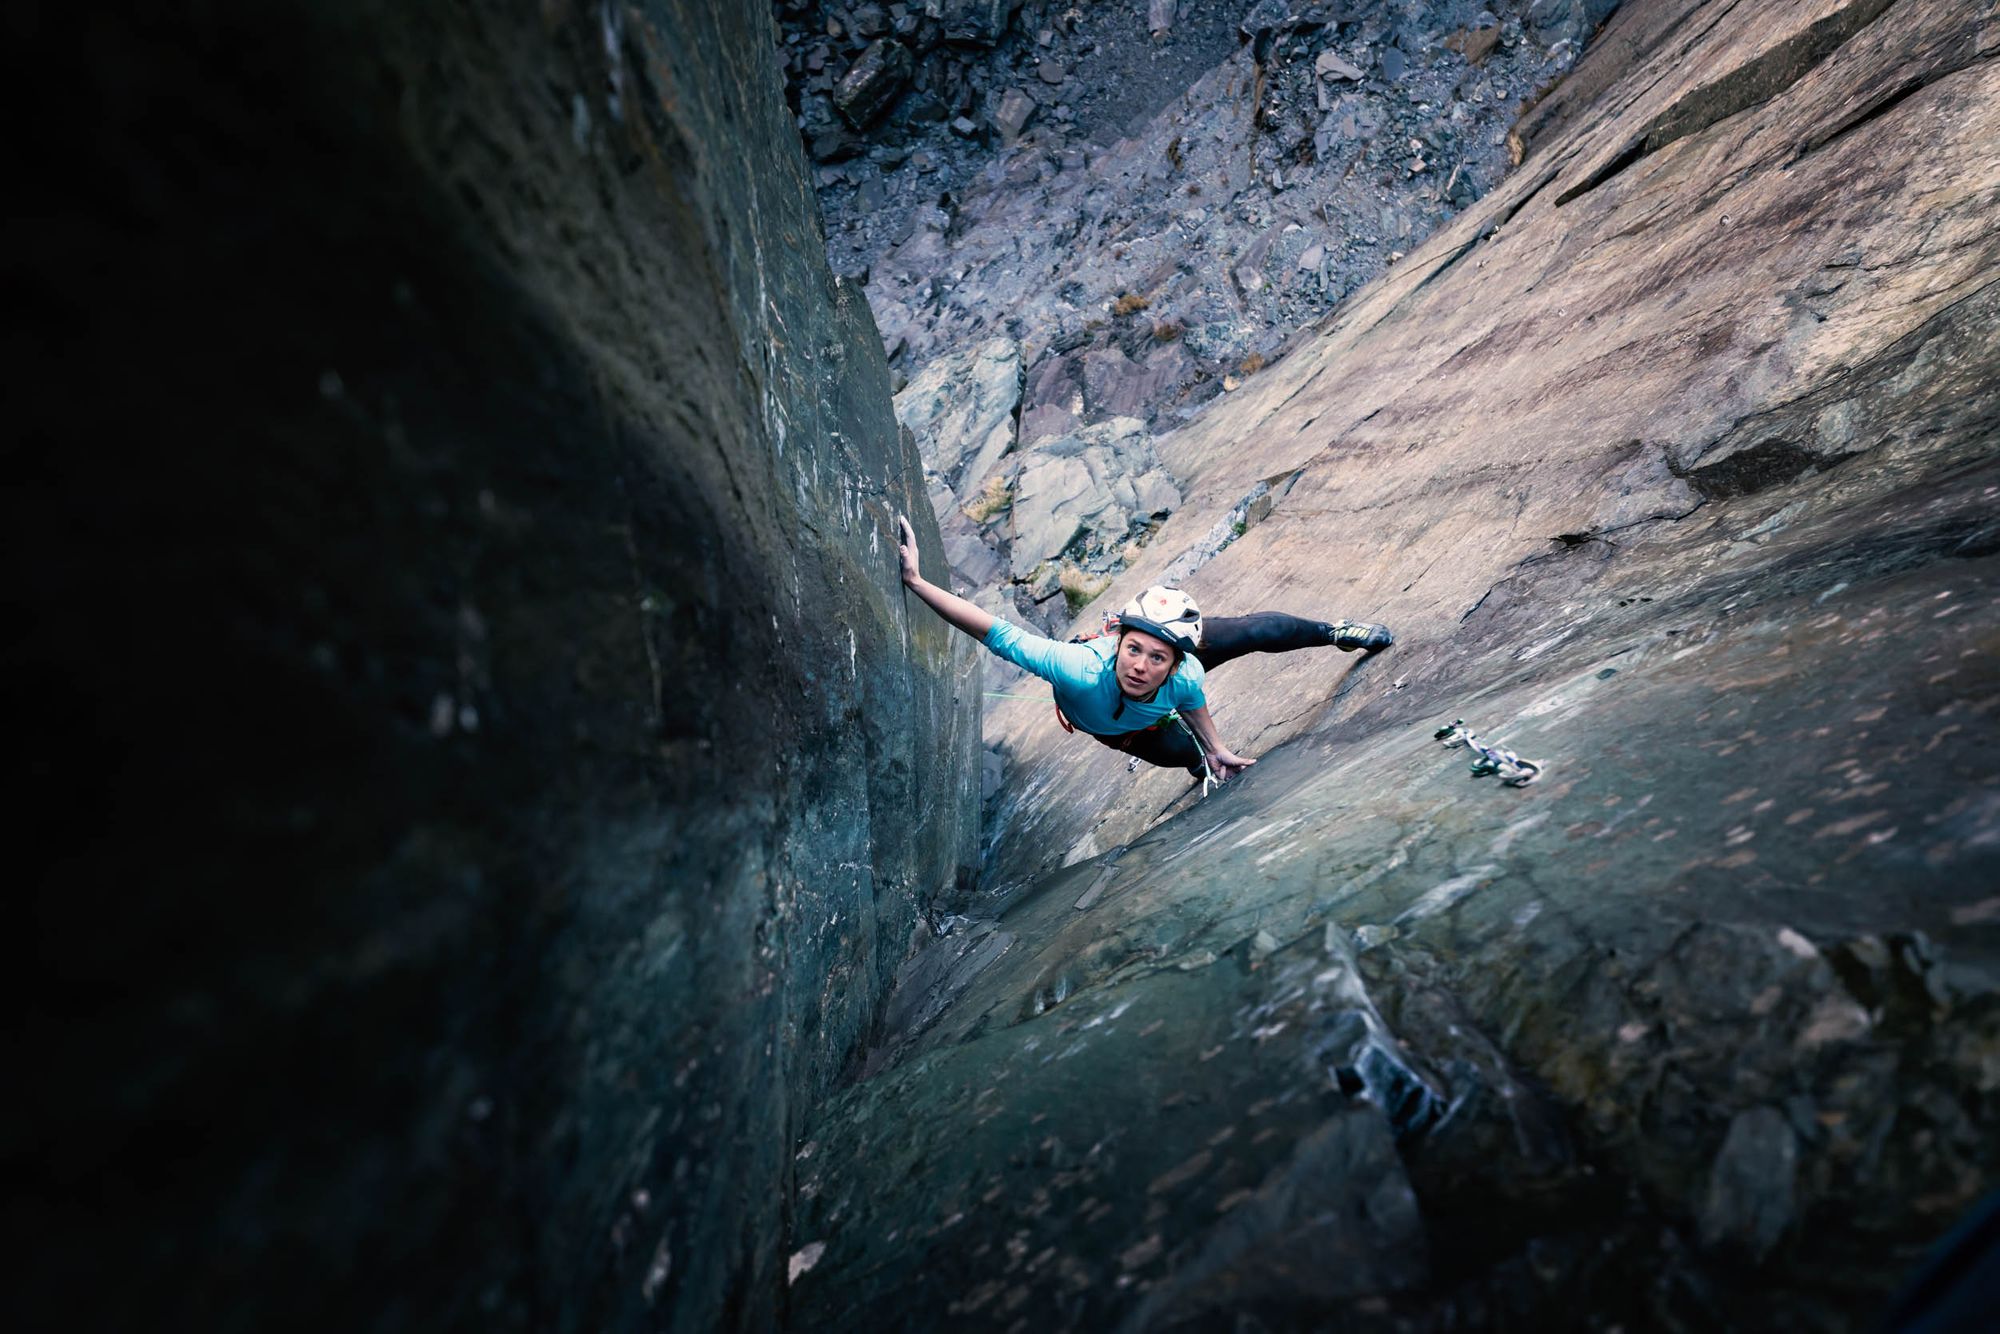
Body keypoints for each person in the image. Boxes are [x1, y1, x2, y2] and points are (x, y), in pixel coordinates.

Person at [894, 515, 1392, 784]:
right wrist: (916, 582)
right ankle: (1202, 766)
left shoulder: (1183, 675)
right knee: (1182, 752)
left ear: (1177, 661)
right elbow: (995, 631)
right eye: (1133, 650)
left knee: (1252, 632)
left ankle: (1334, 632)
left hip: (1170, 661)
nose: (1140, 666)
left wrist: (1219, 744)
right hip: (1129, 729)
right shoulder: (1077, 669)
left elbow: (1192, 701)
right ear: (1117, 643)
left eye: (1155, 658)